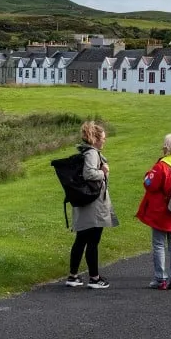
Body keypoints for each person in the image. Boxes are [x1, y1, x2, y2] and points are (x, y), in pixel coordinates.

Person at [65, 120, 119, 289]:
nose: (104, 140)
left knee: (81, 239)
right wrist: (103, 172)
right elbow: (89, 173)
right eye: (102, 138)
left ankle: (73, 276)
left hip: (85, 202)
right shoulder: (92, 153)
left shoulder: (85, 151)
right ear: (95, 138)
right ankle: (95, 278)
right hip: (93, 205)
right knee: (93, 241)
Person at [136, 133, 171, 290]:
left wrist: (148, 175)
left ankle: (160, 278)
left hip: (161, 210)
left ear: (166, 146)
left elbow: (150, 185)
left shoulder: (162, 166)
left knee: (159, 245)